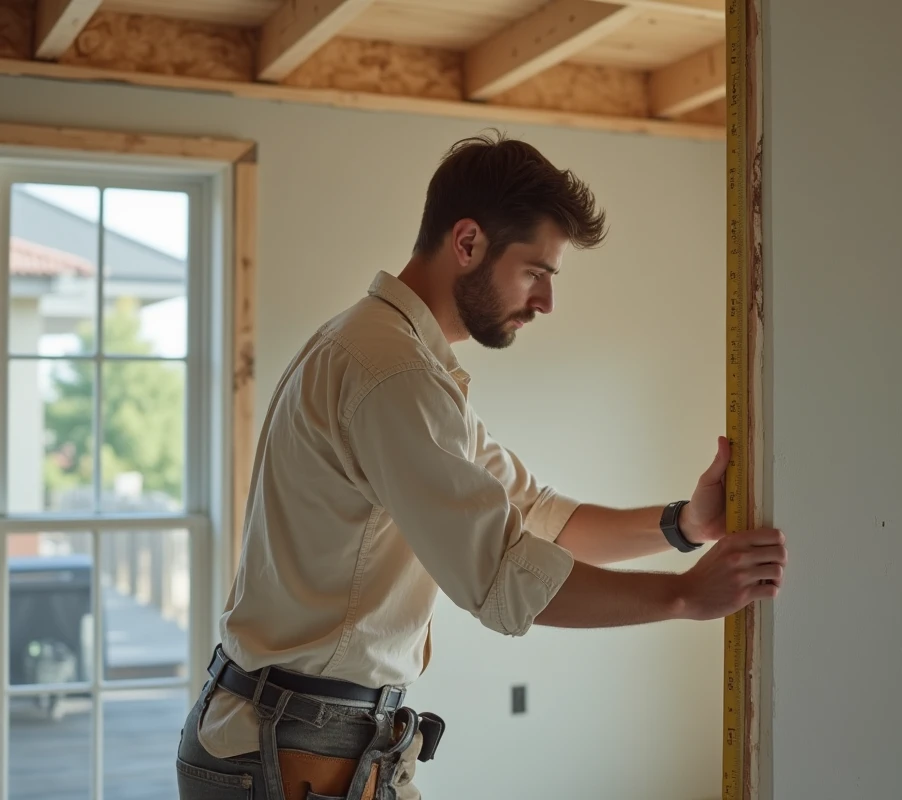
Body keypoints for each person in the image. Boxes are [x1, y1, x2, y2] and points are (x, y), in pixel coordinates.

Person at [176, 130, 788, 800]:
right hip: (290, 747)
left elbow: (535, 516)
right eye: (535, 272)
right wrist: (683, 597)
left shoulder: (401, 360)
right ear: (467, 242)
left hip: (309, 735)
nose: (546, 302)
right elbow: (500, 575)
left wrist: (682, 526)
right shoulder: (392, 373)